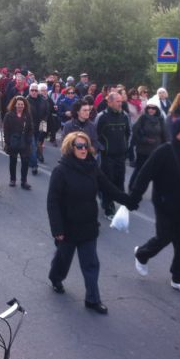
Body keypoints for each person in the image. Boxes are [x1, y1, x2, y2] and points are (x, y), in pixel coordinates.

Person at [47, 132, 137, 315]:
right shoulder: (61, 171)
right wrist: (57, 229)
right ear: (70, 148)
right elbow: (52, 202)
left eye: (85, 146)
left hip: (88, 225)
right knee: (63, 260)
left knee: (91, 264)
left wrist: (127, 200)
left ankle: (92, 299)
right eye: (79, 146)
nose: (83, 149)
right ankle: (55, 278)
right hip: (68, 227)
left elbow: (107, 187)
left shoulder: (92, 167)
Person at [130, 117, 180, 295]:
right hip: (165, 205)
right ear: (179, 133)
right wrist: (134, 198)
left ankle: (179, 278)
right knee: (164, 237)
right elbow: (144, 175)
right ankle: (142, 254)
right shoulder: (163, 152)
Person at [95, 92, 131, 218]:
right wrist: (103, 149)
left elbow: (128, 133)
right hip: (107, 156)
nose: (120, 103)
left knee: (119, 181)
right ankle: (108, 207)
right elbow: (95, 136)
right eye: (117, 101)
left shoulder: (125, 116)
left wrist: (126, 148)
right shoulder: (102, 117)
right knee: (108, 182)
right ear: (109, 102)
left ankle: (119, 203)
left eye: (121, 101)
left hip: (120, 155)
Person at [129, 100, 168, 189]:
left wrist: (166, 148)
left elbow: (165, 135)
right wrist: (145, 140)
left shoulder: (161, 120)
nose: (151, 110)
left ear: (157, 109)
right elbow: (135, 132)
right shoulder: (143, 118)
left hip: (156, 150)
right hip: (143, 150)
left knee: (156, 172)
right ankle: (132, 187)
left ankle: (158, 193)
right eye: (149, 108)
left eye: (153, 108)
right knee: (139, 169)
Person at [3, 96, 34, 189]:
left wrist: (29, 139)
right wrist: (7, 141)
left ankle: (24, 181)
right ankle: (13, 179)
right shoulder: (9, 115)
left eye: (22, 104)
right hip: (13, 141)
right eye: (18, 104)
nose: (20, 106)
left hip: (24, 142)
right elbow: (6, 129)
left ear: (24, 106)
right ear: (15, 105)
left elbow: (31, 128)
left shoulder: (27, 115)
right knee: (13, 161)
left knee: (25, 162)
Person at [27, 83, 49, 175]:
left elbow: (46, 115)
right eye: (32, 90)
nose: (34, 92)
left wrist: (43, 130)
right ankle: (35, 165)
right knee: (32, 146)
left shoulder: (43, 101)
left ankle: (32, 160)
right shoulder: (25, 100)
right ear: (29, 91)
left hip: (39, 127)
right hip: (29, 128)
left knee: (36, 145)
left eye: (36, 90)